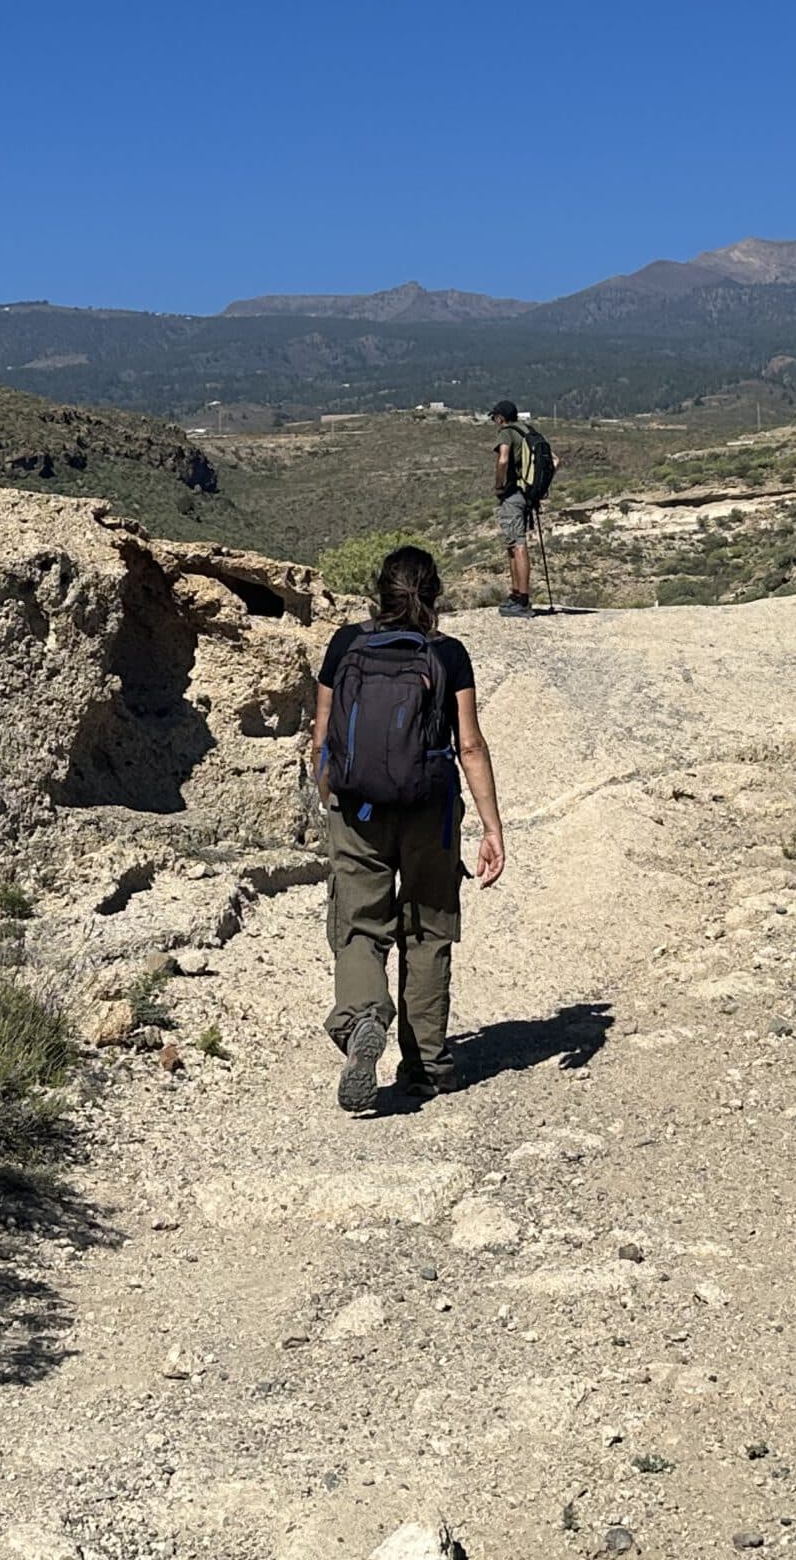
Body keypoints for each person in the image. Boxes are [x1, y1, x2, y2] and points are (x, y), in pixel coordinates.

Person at [311, 545, 506, 1112]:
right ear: (435, 593)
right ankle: (425, 1066)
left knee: (359, 927)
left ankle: (364, 1019)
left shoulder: (345, 645)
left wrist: (334, 801)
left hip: (357, 812)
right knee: (427, 930)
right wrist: (492, 828)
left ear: (380, 592)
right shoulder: (449, 655)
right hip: (430, 813)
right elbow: (469, 745)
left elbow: (322, 740)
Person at [490, 399, 546, 617]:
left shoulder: (506, 432)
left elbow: (503, 460)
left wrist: (498, 485)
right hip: (528, 495)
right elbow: (555, 460)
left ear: (501, 417)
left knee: (518, 544)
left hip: (513, 494)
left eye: (495, 418)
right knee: (512, 543)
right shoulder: (529, 431)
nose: (495, 422)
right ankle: (516, 595)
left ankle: (521, 599)